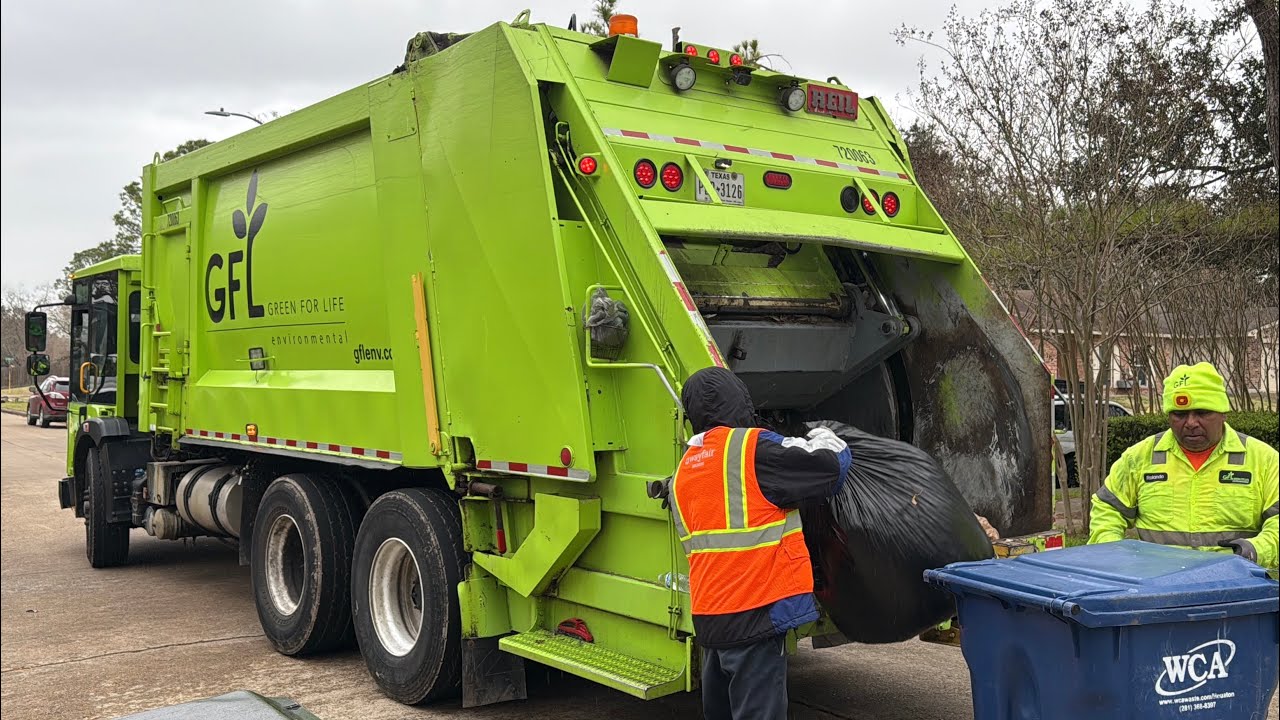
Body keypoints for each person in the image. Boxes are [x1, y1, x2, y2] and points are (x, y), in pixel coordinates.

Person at [666, 367, 851, 720]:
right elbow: (828, 468)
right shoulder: (752, 449)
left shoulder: (684, 471)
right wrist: (830, 435)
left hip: (711, 619)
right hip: (755, 615)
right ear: (741, 402)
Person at [1089, 362, 1278, 569]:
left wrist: (1256, 550)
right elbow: (1107, 509)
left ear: (1223, 412)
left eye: (1202, 412)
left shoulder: (1263, 460)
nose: (1190, 423)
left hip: (1236, 585)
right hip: (1156, 585)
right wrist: (1113, 551)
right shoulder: (1139, 458)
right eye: (1179, 414)